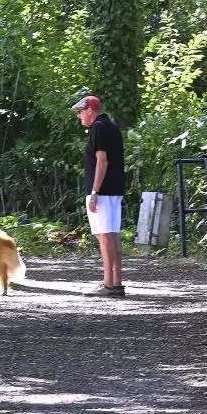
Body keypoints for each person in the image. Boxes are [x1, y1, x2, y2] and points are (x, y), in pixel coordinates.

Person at [72, 94, 125, 297]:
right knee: (112, 234)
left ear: (90, 110)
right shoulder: (111, 126)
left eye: (80, 112)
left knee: (104, 237)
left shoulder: (98, 128)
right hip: (114, 189)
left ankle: (108, 285)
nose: (79, 116)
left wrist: (94, 192)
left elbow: (102, 161)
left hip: (102, 192)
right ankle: (116, 282)